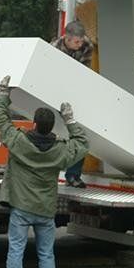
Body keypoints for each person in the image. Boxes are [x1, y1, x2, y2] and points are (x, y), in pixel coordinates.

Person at [0, 75, 89, 268]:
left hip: (21, 208)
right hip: (45, 210)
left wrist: (4, 94)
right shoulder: (60, 151)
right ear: (50, 127)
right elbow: (83, 143)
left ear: (33, 124)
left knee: (16, 251)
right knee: (46, 255)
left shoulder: (18, 141)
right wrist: (70, 120)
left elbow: (1, 121)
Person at [50, 20, 94, 187]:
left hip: (75, 89)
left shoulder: (87, 45)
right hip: (56, 89)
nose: (80, 44)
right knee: (57, 136)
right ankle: (52, 173)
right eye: (77, 42)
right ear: (66, 39)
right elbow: (53, 74)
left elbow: (83, 72)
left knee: (79, 134)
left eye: (81, 41)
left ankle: (73, 175)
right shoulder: (53, 48)